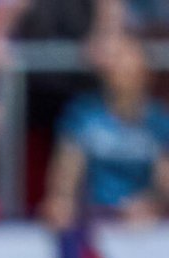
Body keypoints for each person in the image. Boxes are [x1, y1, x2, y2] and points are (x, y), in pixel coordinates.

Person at [41, 36, 169, 228]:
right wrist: (61, 199)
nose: (122, 71)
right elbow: (66, 170)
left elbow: (165, 179)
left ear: (145, 73)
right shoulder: (84, 114)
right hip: (93, 214)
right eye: (117, 63)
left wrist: (153, 204)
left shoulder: (157, 121)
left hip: (142, 219)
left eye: (129, 65)